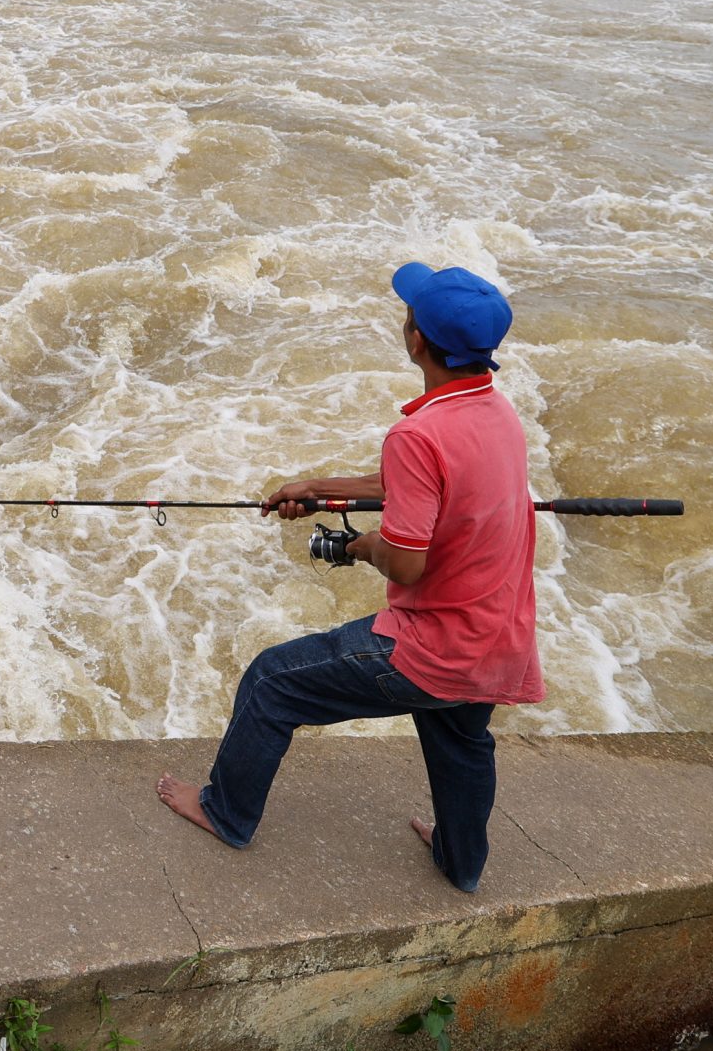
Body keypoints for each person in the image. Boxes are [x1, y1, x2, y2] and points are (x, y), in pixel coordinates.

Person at [156, 263, 540, 894]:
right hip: (496, 637)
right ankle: (461, 862)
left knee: (272, 680)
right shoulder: (496, 414)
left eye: (409, 312)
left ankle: (224, 812)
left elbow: (408, 558)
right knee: (463, 741)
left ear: (416, 339)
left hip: (435, 644)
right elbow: (412, 487)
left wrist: (359, 547)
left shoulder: (417, 434)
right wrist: (318, 487)